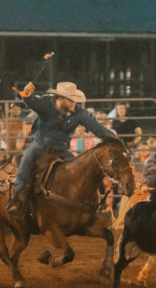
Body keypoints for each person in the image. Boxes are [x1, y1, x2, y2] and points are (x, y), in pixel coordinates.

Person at [7, 81, 116, 216]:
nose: (74, 103)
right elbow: (32, 102)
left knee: (78, 171)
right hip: (41, 145)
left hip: (62, 149)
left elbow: (96, 127)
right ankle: (18, 201)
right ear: (60, 99)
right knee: (25, 164)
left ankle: (82, 203)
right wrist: (27, 95)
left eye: (75, 99)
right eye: (71, 100)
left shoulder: (79, 113)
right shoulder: (46, 103)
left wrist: (114, 139)